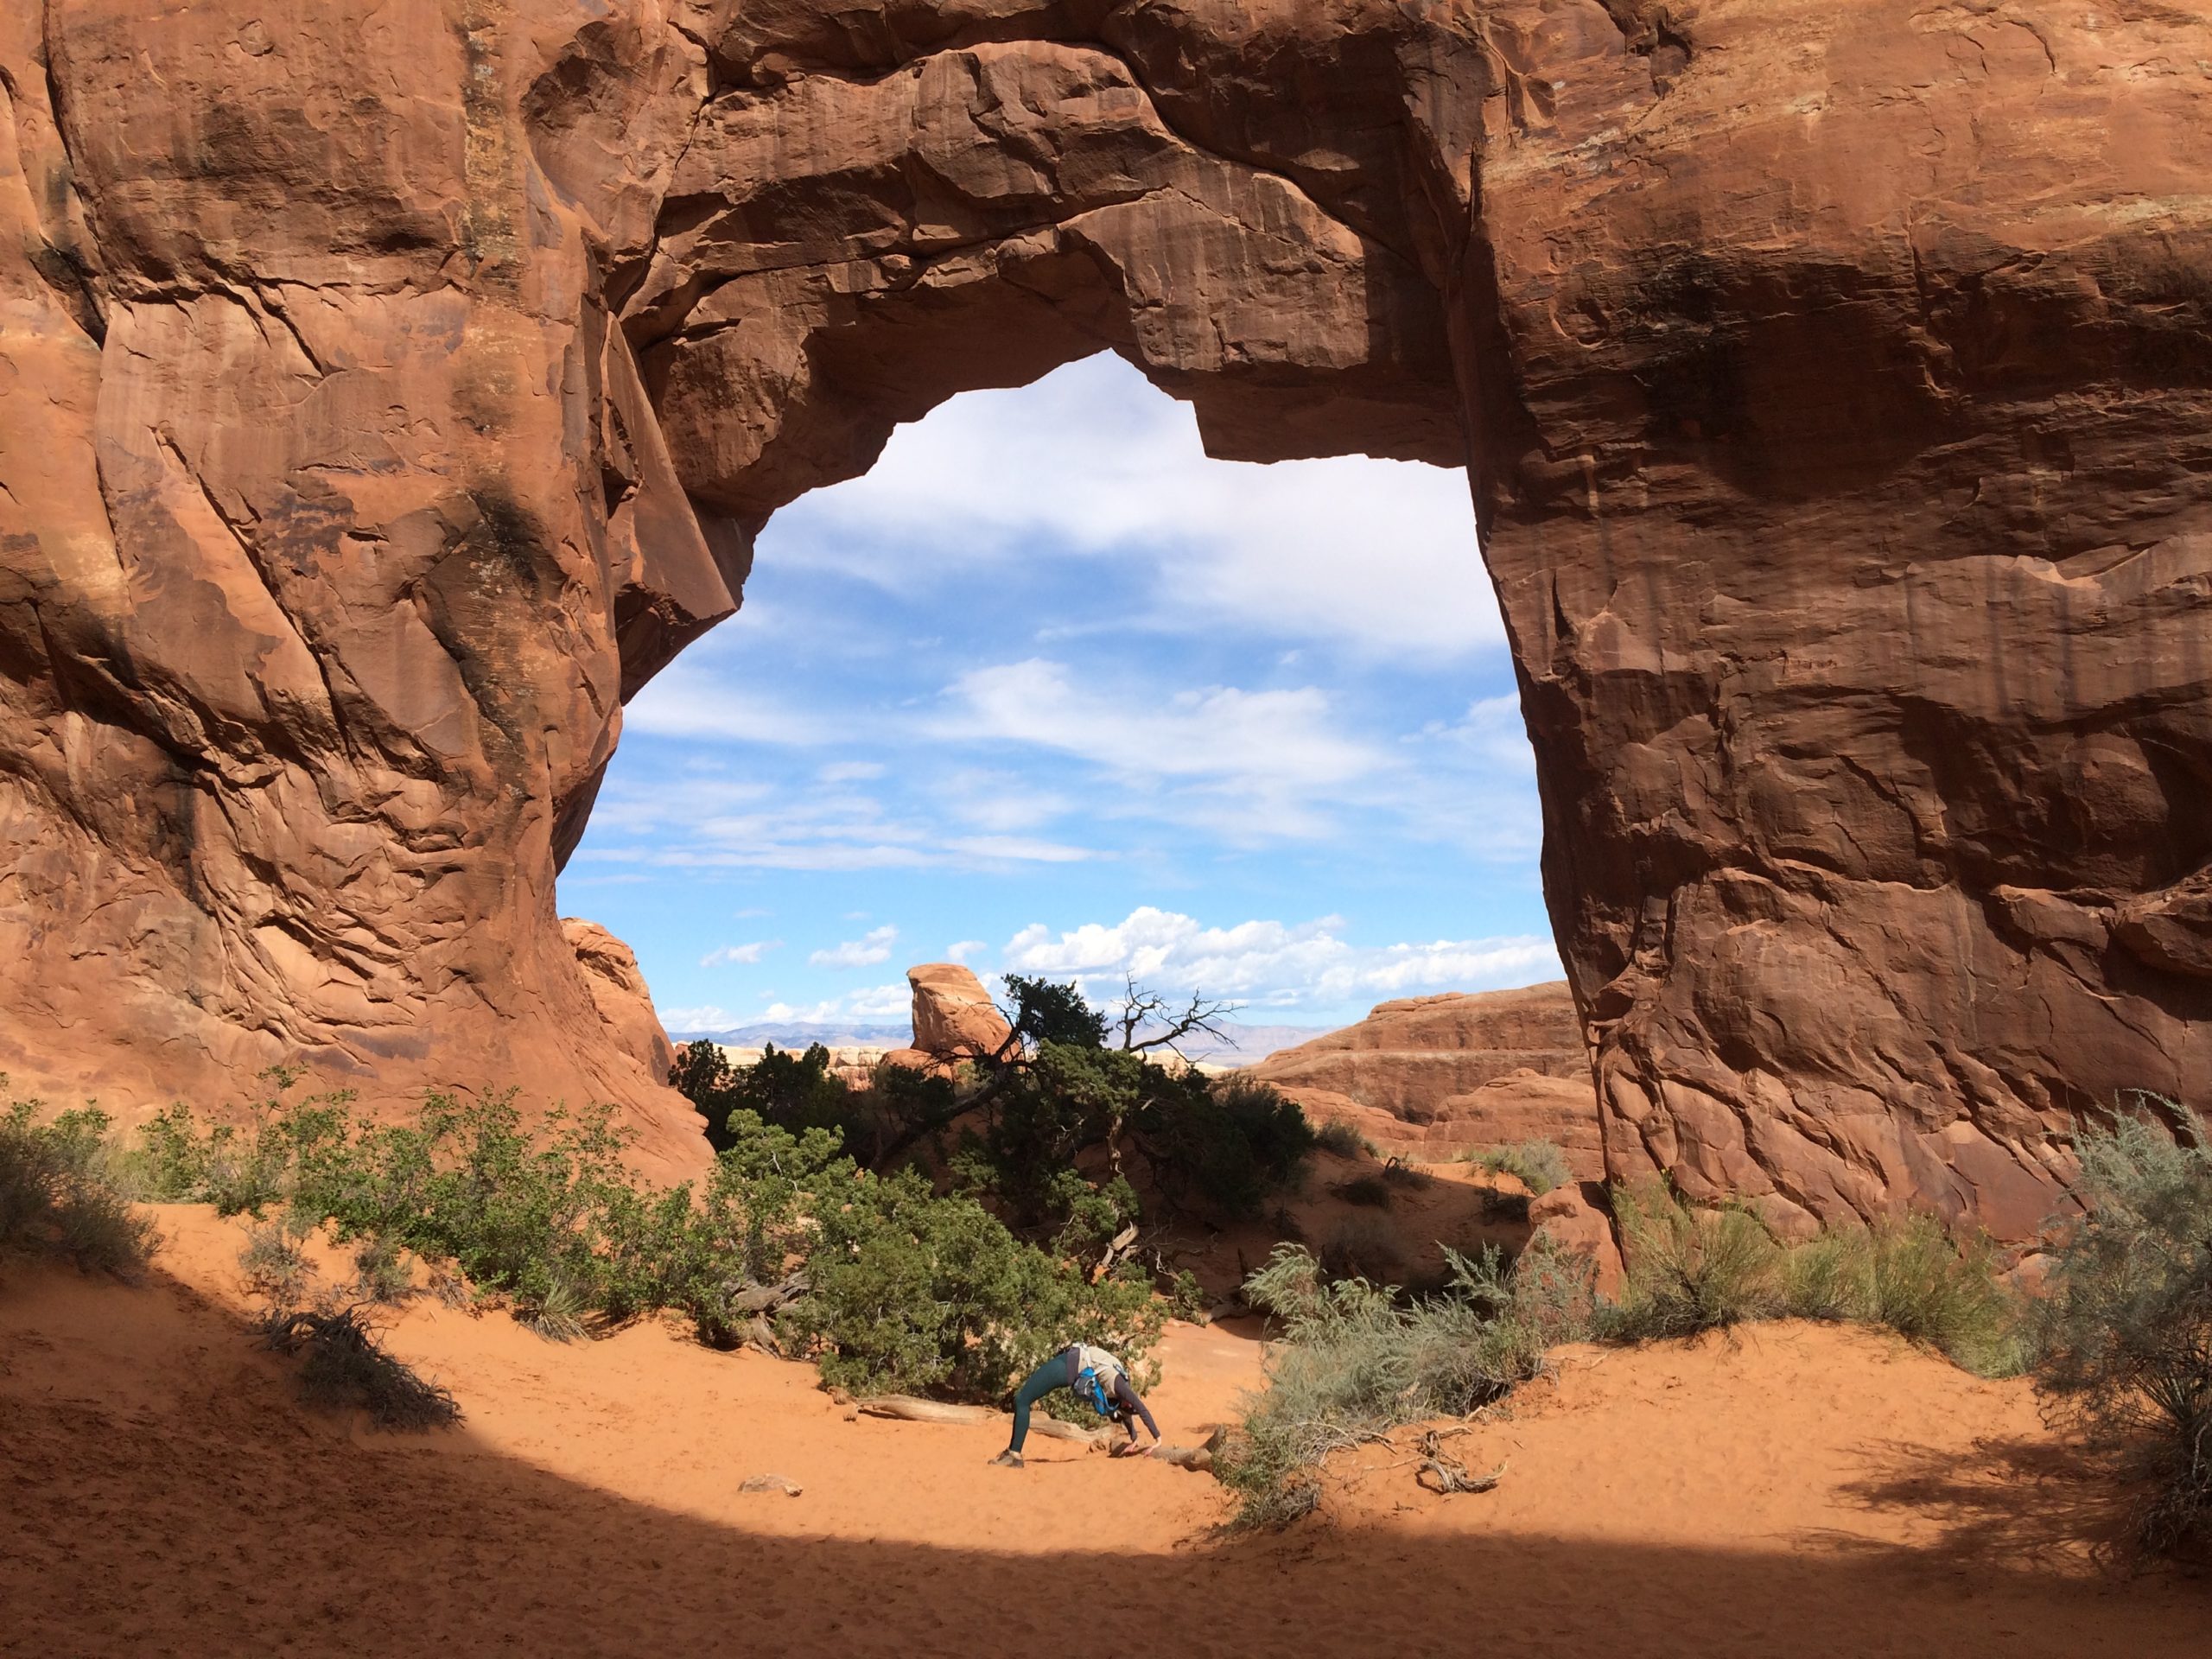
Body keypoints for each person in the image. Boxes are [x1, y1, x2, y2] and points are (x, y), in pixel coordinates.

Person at [988, 1342, 1159, 1468]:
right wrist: (1134, 1438)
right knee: (1023, 1399)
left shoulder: (1121, 1387)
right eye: (1129, 1405)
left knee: (1022, 1400)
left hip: (1069, 1365)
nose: (1130, 1403)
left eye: (1129, 1406)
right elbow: (1130, 1415)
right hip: (1071, 1361)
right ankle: (1013, 1452)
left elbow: (1140, 1409)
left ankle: (1014, 1454)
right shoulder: (1121, 1389)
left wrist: (1157, 1438)